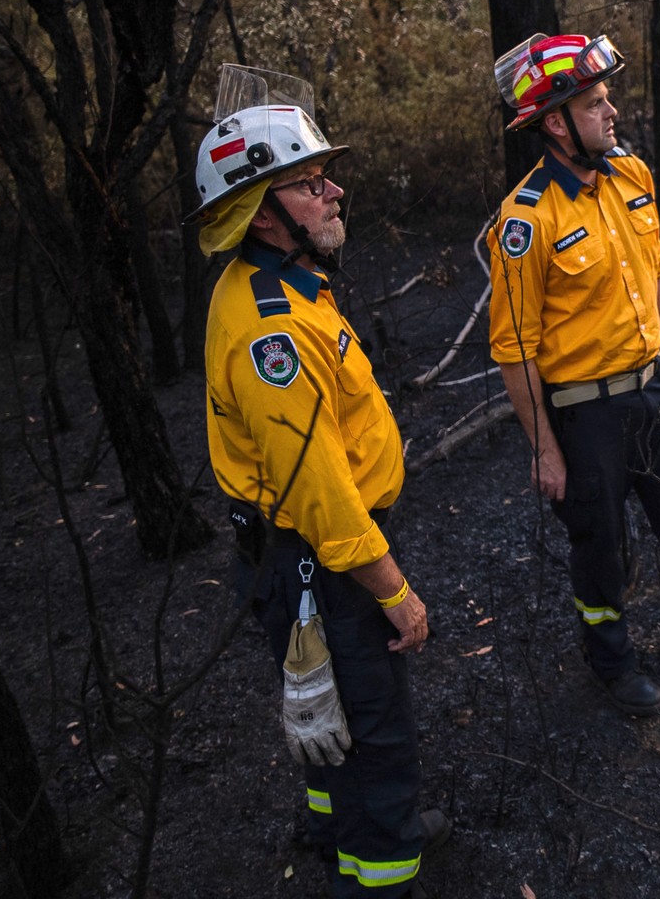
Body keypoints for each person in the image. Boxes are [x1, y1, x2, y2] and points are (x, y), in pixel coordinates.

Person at [189, 64, 448, 896]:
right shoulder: (272, 332)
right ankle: (382, 864)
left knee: (327, 722)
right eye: (309, 184)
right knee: (373, 731)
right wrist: (393, 591)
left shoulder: (287, 286)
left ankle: (343, 826)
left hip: (305, 556)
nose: (334, 191)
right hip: (324, 562)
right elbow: (325, 500)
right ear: (259, 212)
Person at [487, 33, 660, 717]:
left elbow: (659, 270)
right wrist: (544, 450)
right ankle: (611, 661)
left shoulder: (632, 175)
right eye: (595, 103)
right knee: (600, 546)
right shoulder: (525, 221)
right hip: (587, 415)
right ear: (555, 122)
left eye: (609, 98)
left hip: (658, 387)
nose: (611, 113)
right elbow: (515, 349)